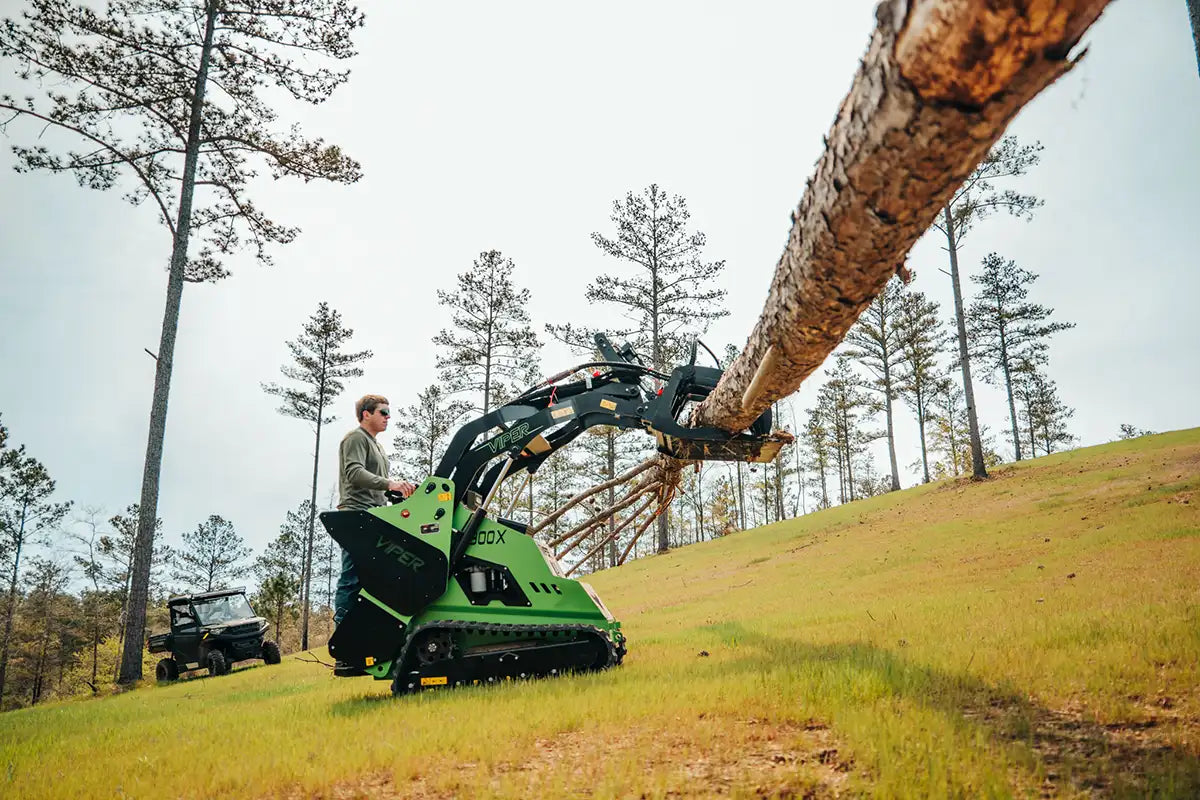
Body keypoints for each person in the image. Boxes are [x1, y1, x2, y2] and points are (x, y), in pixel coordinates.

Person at [334, 394, 416, 634]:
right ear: (366, 414)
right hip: (356, 514)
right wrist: (390, 484)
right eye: (383, 412)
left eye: (389, 413)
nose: (388, 417)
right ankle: (343, 633)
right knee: (352, 575)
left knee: (375, 576)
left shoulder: (377, 446)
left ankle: (370, 631)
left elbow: (378, 484)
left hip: (374, 515)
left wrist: (400, 492)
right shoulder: (356, 438)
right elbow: (354, 473)